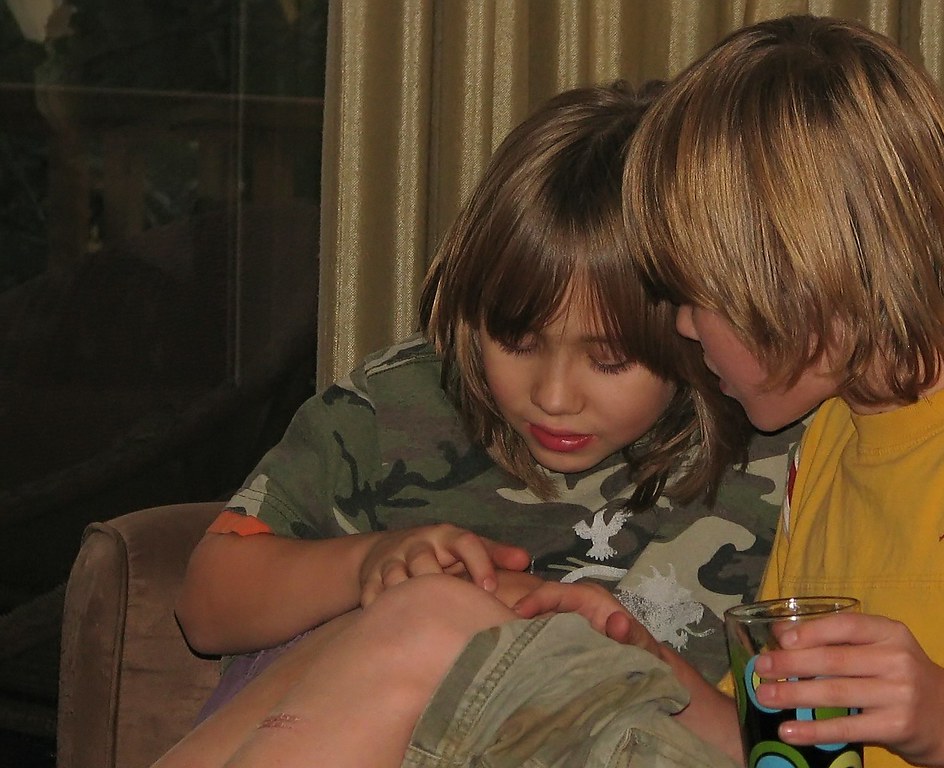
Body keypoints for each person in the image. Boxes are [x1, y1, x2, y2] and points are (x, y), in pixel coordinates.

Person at [152, 79, 801, 767]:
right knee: (434, 615)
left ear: (695, 322)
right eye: (516, 341)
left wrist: (622, 656)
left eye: (609, 360)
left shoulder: (770, 444)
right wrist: (369, 566)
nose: (554, 396)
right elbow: (206, 605)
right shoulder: (395, 406)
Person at [612, 13, 944, 768]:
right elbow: (790, 743)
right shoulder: (830, 439)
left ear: (801, 274)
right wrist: (633, 661)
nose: (683, 326)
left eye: (697, 294)